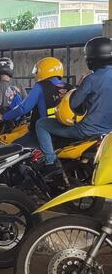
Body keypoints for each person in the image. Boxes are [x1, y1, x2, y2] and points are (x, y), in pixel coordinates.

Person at [36, 37, 112, 177]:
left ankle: (50, 162)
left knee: (41, 124)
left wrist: (76, 88)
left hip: (86, 131)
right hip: (108, 133)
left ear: (91, 58)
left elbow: (73, 104)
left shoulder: (91, 79)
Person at [0, 56, 68, 149]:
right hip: (65, 134)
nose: (36, 74)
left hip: (42, 134)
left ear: (44, 70)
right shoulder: (69, 87)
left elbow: (23, 108)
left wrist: (3, 117)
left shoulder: (40, 86)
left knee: (13, 147)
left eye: (37, 71)